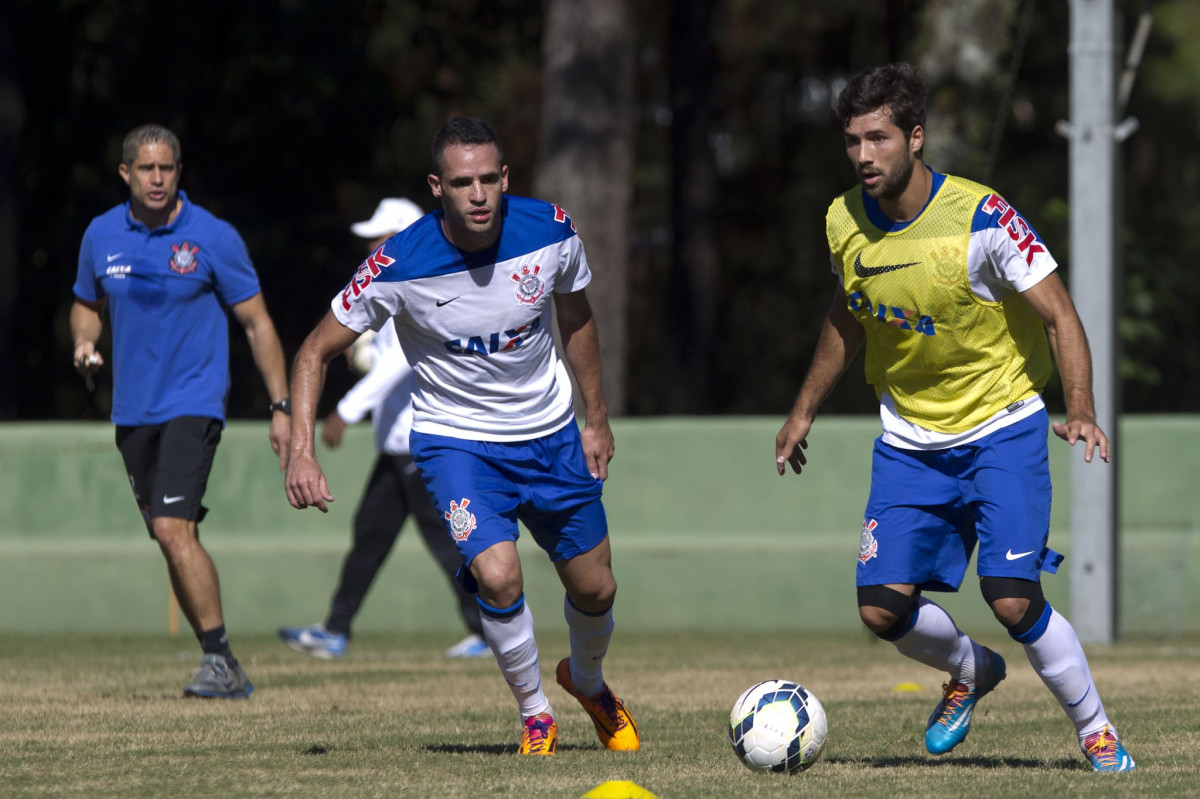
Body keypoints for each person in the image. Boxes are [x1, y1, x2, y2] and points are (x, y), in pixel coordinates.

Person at [774, 63, 1135, 773]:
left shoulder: (984, 218)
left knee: (1010, 596)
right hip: (910, 439)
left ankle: (1095, 730)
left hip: (1001, 424)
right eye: (852, 141)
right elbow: (848, 314)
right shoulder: (843, 219)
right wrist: (802, 408)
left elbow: (1060, 315)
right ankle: (971, 670)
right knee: (880, 609)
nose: (863, 156)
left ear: (916, 136)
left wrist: (1082, 408)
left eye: (878, 138)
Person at [284, 117, 639, 757]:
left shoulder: (552, 230)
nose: (477, 195)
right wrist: (302, 450)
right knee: (499, 578)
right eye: (460, 183)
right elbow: (314, 351)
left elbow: (576, 317)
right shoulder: (398, 263)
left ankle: (587, 683)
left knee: (597, 588)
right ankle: (535, 715)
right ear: (436, 187)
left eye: (487, 180)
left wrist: (597, 417)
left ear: (505, 178)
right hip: (458, 445)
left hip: (552, 434)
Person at [71, 123, 291, 699]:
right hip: (132, 412)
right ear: (126, 174)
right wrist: (83, 343)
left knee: (172, 527)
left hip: (193, 401)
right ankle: (222, 665)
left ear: (179, 171)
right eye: (146, 169)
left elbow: (257, 323)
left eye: (167, 168)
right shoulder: (100, 235)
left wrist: (283, 405)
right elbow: (86, 304)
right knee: (170, 533)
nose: (157, 178)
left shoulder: (212, 237)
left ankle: (219, 661)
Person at [278, 197, 489, 660]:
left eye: (378, 236)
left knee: (449, 541)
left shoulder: (422, 281)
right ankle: (335, 630)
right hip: (397, 447)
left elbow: (397, 362)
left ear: (399, 235)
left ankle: (491, 627)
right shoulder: (391, 283)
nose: (371, 245)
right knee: (370, 535)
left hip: (422, 443)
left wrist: (347, 409)